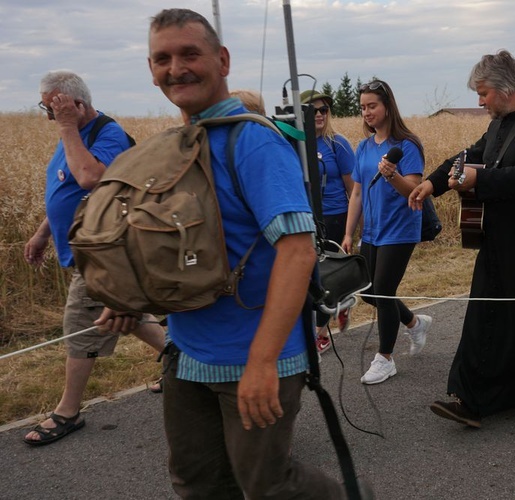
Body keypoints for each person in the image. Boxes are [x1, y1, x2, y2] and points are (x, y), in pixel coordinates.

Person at [98, 9, 367, 498]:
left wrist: (262, 363)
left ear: (221, 60)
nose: (175, 68)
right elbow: (168, 245)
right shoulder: (178, 145)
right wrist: (128, 295)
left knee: (268, 485)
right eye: (162, 58)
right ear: (151, 68)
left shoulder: (254, 142)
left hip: (257, 355)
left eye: (189, 54)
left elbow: (297, 253)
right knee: (197, 483)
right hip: (187, 353)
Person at [409, 50, 515, 428]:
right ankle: (473, 399)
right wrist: (432, 183)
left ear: (505, 88)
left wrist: (479, 180)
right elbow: (468, 155)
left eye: (483, 93)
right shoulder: (499, 124)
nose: (479, 101)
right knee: (487, 314)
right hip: (500, 238)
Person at [22, 71, 165, 446]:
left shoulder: (108, 134)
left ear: (76, 104)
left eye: (52, 108)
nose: (49, 117)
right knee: (125, 318)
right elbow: (64, 187)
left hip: (104, 252)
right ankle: (183, 360)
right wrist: (42, 234)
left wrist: (68, 126)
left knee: (79, 323)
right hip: (85, 248)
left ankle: (67, 412)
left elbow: (89, 178)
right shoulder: (71, 136)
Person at [342, 79, 432, 385]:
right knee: (369, 292)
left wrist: (391, 175)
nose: (367, 112)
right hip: (372, 231)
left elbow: (416, 189)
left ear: (387, 106)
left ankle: (385, 359)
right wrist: (348, 233)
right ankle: (414, 322)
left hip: (400, 229)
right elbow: (356, 193)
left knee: (382, 290)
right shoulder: (363, 147)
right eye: (363, 107)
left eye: (372, 106)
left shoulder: (406, 145)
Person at [299, 90, 356, 353]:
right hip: (305, 219)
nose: (320, 115)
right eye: (314, 110)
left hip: (335, 217)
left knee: (325, 276)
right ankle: (343, 301)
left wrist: (353, 229)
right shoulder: (296, 144)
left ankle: (320, 333)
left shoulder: (338, 144)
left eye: (324, 110)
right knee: (310, 277)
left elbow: (352, 188)